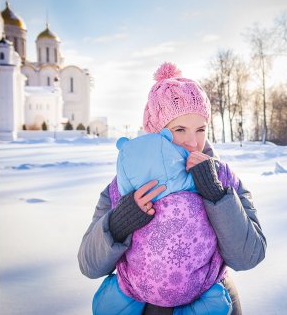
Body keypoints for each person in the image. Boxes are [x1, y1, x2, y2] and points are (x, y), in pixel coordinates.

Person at [78, 62, 267, 315]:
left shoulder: (223, 177)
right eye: (180, 129)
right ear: (158, 133)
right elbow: (89, 265)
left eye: (201, 129)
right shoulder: (124, 186)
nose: (193, 142)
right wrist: (119, 223)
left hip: (215, 302)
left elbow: (248, 256)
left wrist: (216, 195)